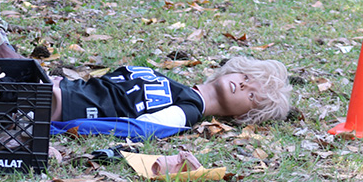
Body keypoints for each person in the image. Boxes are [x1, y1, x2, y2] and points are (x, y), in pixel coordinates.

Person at [52, 56, 291, 126]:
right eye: (246, 77)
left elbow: (141, 128)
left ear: (243, 116)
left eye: (251, 95)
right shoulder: (170, 83)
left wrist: (59, 128)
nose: (242, 85)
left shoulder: (189, 110)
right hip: (60, 87)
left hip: (59, 106)